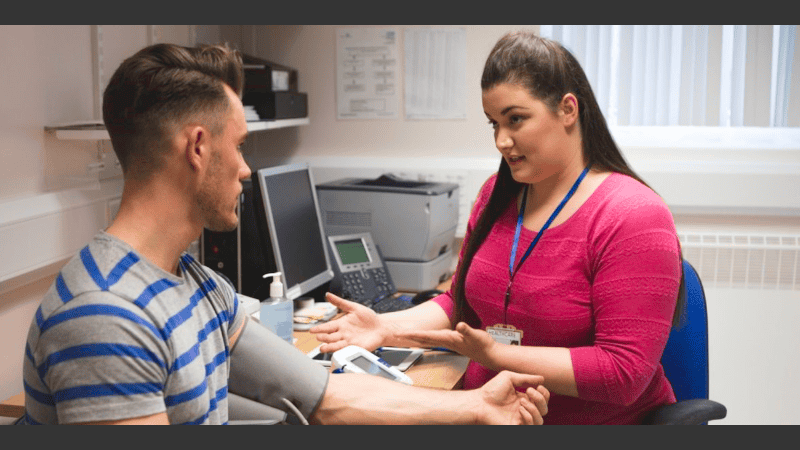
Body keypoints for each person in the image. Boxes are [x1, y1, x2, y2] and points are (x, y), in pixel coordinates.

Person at [17, 42, 550, 425]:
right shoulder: (106, 316)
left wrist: (475, 406)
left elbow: (324, 396)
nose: (247, 170)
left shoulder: (197, 285)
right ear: (198, 148)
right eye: (241, 146)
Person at [311, 30, 685, 425]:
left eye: (516, 119)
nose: (501, 140)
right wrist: (384, 327)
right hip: (489, 412)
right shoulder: (496, 196)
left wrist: (496, 355)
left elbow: (623, 373)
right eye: (493, 124)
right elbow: (460, 301)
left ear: (568, 110)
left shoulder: (633, 215)